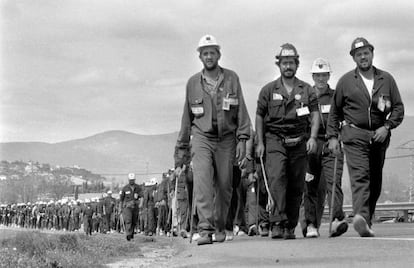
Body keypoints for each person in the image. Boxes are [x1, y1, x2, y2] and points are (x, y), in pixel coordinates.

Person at [175, 34, 251, 245]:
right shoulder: (192, 84)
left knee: (226, 184)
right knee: (203, 182)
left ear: (219, 54)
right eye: (205, 53)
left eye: (212, 52)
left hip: (226, 138)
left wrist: (244, 140)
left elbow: (242, 110)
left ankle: (219, 224)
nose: (209, 56)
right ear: (200, 56)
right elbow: (186, 118)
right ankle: (205, 228)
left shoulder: (231, 78)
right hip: (201, 137)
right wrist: (181, 152)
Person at [327, 37, 404, 237]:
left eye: (366, 53)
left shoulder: (386, 79)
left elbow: (398, 108)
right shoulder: (345, 81)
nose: (363, 57)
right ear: (353, 58)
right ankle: (361, 215)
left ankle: (365, 221)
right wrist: (332, 137)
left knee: (375, 181)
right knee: (360, 176)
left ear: (372, 53)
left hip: (379, 136)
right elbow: (334, 112)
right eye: (358, 54)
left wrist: (387, 127)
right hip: (354, 135)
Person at [256, 43, 319, 240]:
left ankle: (289, 225)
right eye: (284, 63)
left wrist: (314, 137)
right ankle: (276, 222)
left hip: (299, 140)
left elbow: (316, 115)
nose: (288, 66)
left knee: (296, 184)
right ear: (279, 65)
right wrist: (260, 142)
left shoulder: (307, 90)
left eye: (291, 62)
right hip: (275, 140)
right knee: (277, 178)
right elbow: (259, 116)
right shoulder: (268, 90)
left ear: (297, 64)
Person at [302, 58, 348, 238]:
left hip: (331, 143)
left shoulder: (336, 96)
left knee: (333, 183)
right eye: (318, 75)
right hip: (310, 146)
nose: (321, 78)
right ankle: (311, 224)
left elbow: (344, 120)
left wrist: (338, 137)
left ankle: (337, 219)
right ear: (313, 76)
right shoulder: (305, 96)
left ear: (329, 75)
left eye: (324, 75)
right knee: (310, 186)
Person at [119, 173, 142, 241]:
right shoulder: (125, 188)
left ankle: (131, 234)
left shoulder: (138, 188)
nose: (132, 181)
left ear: (134, 180)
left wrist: (141, 204)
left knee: (134, 221)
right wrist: (120, 208)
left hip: (135, 207)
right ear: (129, 180)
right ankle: (128, 235)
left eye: (133, 180)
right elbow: (121, 200)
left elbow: (142, 196)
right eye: (130, 180)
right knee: (128, 220)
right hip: (127, 207)